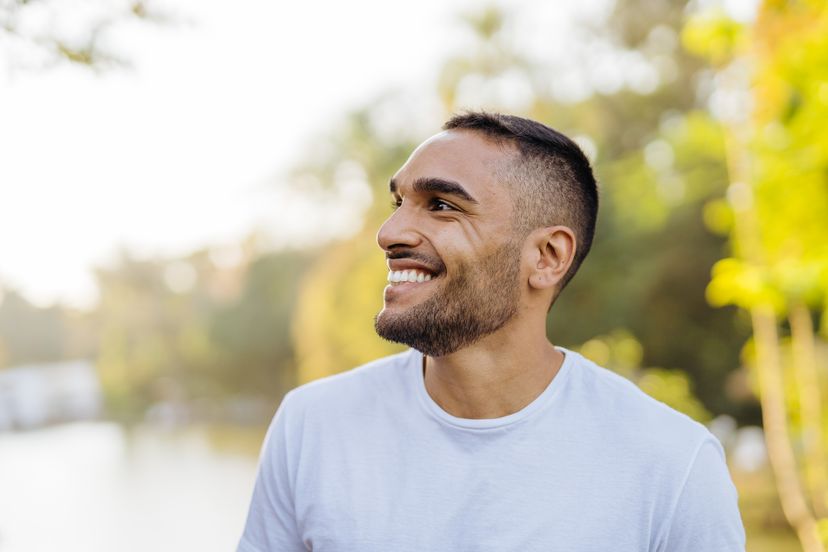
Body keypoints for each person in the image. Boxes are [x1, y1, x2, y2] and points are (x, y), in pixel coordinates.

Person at [238, 112, 746, 551]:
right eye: (399, 203)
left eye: (441, 205)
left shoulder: (673, 464)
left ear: (547, 257)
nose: (389, 234)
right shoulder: (312, 426)